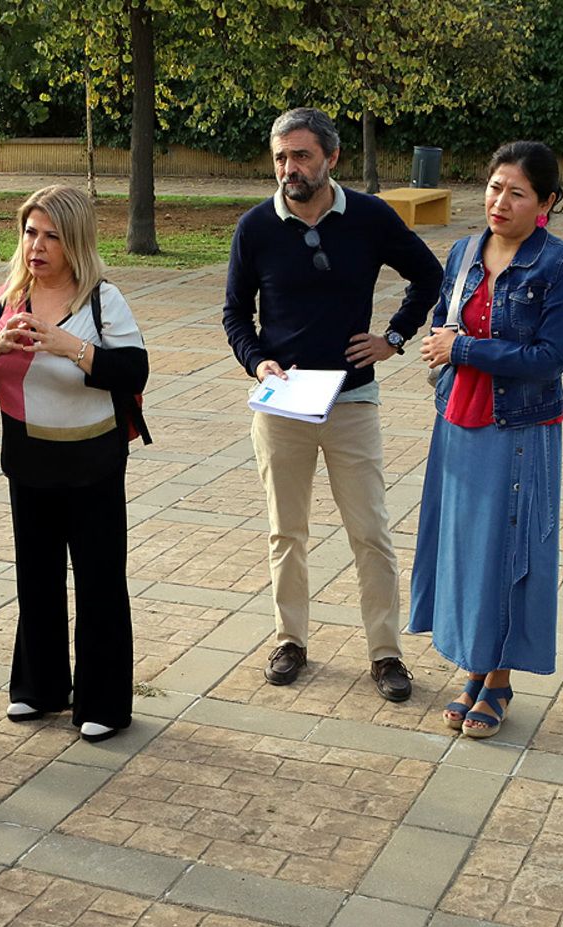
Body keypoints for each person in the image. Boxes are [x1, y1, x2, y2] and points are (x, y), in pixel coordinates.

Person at [223, 107, 443, 702]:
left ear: (331, 158)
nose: (288, 168)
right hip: (282, 405)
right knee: (285, 532)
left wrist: (393, 337)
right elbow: (235, 312)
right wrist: (257, 362)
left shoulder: (370, 217)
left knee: (370, 531)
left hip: (352, 401)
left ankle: (386, 653)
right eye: (280, 157)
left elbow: (429, 276)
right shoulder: (255, 227)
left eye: (301, 155)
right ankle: (289, 640)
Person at [0, 184, 149, 741]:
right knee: (36, 577)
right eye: (30, 232)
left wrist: (70, 347)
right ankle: (39, 688)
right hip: (28, 457)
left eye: (52, 236)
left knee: (99, 581)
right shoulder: (8, 297)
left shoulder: (102, 299)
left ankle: (104, 703)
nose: (37, 246)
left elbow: (133, 370)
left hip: (94, 459)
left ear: (76, 242)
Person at [410, 142, 563, 738]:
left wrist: (461, 348)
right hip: (458, 422)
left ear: (546, 202)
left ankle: (500, 679)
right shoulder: (463, 253)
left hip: (519, 426)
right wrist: (443, 342)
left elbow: (549, 357)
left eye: (517, 193)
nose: (500, 202)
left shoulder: (559, 265)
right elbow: (443, 319)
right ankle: (475, 667)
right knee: (466, 551)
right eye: (494, 188)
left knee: (509, 551)